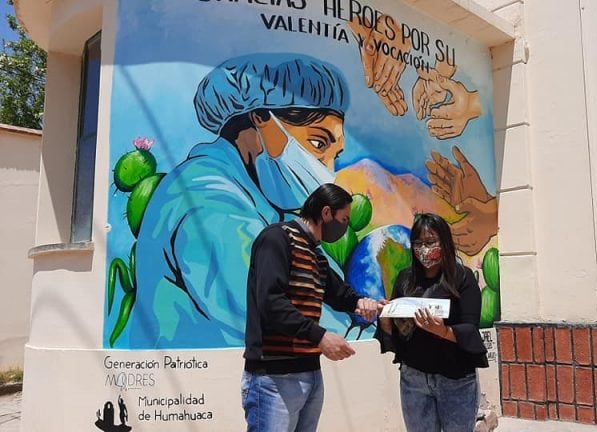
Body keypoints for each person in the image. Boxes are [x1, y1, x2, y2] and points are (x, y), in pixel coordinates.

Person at [129, 54, 349, 348]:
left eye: (335, 156)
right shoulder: (203, 195)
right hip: (191, 383)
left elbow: (323, 280)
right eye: (318, 144)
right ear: (261, 117)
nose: (326, 170)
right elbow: (261, 301)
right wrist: (359, 334)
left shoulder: (265, 201)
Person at [242, 183, 378, 432]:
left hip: (310, 373)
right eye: (344, 219)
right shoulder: (277, 239)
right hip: (274, 377)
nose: (345, 227)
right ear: (326, 213)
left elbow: (340, 294)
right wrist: (320, 336)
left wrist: (364, 303)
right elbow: (270, 302)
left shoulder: (316, 257)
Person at [376, 213, 488, 432]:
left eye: (430, 242)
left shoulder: (462, 278)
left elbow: (470, 328)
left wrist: (443, 331)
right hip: (414, 379)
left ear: (444, 242)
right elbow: (399, 334)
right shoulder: (405, 279)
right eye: (418, 243)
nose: (423, 249)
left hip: (456, 380)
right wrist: (387, 320)